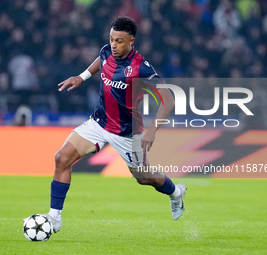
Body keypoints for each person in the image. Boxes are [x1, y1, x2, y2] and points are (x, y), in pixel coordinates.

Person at [45, 16, 187, 233]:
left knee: (144, 178)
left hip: (127, 134)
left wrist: (152, 130)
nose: (113, 44)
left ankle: (176, 192)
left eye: (119, 41)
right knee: (61, 158)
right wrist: (82, 77)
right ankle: (54, 219)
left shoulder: (141, 68)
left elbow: (168, 100)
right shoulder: (106, 51)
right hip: (99, 123)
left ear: (131, 41)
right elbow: (99, 61)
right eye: (111, 39)